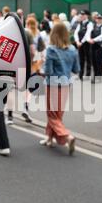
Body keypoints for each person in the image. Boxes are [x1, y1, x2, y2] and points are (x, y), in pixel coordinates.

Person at [41, 23, 79, 155]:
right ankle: (50, 139)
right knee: (57, 115)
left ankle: (68, 137)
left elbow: (48, 71)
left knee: (52, 115)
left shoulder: (51, 49)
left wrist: (41, 71)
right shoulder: (73, 49)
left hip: (52, 84)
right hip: (65, 85)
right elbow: (76, 69)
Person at [88, 13, 102, 83]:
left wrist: (93, 40)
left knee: (99, 62)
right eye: (97, 18)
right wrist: (89, 39)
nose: (98, 20)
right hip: (93, 46)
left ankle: (99, 78)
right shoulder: (93, 26)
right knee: (94, 62)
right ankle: (95, 76)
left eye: (100, 18)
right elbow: (88, 33)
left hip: (100, 46)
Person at [74, 10, 94, 80]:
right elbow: (76, 33)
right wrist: (77, 41)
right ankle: (81, 75)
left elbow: (87, 34)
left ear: (87, 15)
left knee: (88, 60)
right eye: (81, 14)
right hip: (79, 44)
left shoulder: (90, 24)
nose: (81, 16)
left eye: (83, 14)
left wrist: (81, 42)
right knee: (81, 60)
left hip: (86, 44)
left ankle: (87, 75)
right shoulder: (80, 23)